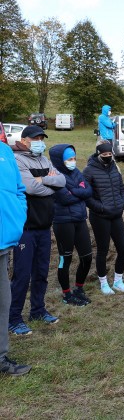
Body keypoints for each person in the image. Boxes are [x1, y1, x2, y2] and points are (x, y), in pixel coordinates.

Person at [9, 126, 65, 336]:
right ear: (24, 140)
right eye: (35, 138)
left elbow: (62, 180)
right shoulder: (18, 160)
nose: (39, 141)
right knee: (22, 275)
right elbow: (29, 187)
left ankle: (38, 310)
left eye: (42, 138)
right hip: (25, 228)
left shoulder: (44, 159)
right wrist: (48, 183)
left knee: (41, 272)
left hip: (44, 226)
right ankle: (14, 318)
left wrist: (44, 180)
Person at [0, 141, 31, 376]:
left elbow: (19, 190)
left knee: (3, 302)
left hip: (4, 242)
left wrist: (18, 218)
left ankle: (0, 358)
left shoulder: (5, 151)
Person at [83, 141, 124, 295]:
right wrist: (100, 208)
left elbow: (121, 187)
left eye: (110, 154)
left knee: (123, 248)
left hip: (117, 214)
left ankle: (118, 280)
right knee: (103, 250)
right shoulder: (89, 171)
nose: (108, 157)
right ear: (98, 154)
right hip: (100, 217)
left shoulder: (115, 167)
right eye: (104, 155)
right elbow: (86, 196)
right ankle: (103, 282)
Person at [49, 144, 93, 306]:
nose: (73, 161)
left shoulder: (76, 172)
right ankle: (67, 294)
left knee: (87, 258)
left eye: (74, 158)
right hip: (63, 222)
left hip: (80, 219)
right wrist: (79, 192)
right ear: (60, 160)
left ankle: (79, 288)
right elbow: (64, 198)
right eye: (69, 159)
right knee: (65, 259)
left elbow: (88, 191)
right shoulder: (54, 174)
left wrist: (73, 191)